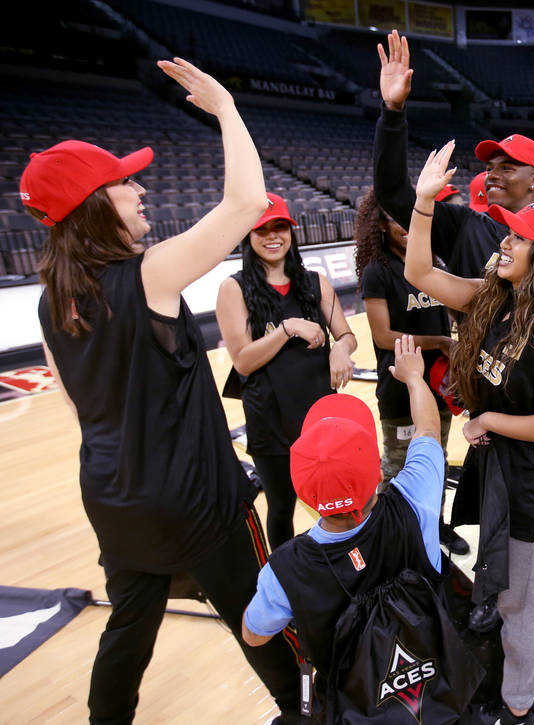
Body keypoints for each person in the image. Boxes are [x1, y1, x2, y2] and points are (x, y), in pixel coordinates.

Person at [25, 59, 304, 724]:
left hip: (118, 499)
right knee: (257, 611)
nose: (140, 189)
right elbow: (246, 204)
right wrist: (228, 108)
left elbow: (79, 407)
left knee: (130, 626)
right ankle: (304, 712)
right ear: (96, 205)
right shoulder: (147, 275)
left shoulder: (50, 302)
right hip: (196, 498)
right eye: (125, 182)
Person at [375, 28, 534, 629]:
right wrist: (393, 113)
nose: (491, 172)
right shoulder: (469, 228)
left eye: (506, 166)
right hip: (493, 379)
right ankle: (498, 595)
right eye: (487, 165)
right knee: (500, 506)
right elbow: (395, 195)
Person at [405, 141, 534, 725]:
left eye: (516, 236)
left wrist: (485, 419)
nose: (503, 241)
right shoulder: (495, 298)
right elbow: (418, 273)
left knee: (518, 603)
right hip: (515, 473)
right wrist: (423, 203)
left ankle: (517, 708)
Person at [241, 335, 455, 719]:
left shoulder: (286, 569)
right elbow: (427, 432)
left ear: (305, 494)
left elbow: (254, 633)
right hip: (436, 689)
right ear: (376, 471)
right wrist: (414, 379)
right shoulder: (414, 500)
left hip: (359, 707)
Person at [216, 192, 357, 549]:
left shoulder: (314, 281)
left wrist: (341, 347)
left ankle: (339, 563)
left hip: (319, 412)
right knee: (281, 507)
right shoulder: (234, 288)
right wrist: (287, 327)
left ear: (292, 231)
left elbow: (346, 334)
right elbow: (243, 361)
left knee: (335, 499)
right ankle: (283, 577)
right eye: (262, 229)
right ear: (248, 236)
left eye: (280, 226)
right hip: (270, 418)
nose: (272, 236)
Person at [353, 188, 469, 555]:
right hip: (400, 386)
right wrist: (437, 341)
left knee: (436, 458)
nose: (404, 226)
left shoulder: (433, 263)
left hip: (439, 384)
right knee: (399, 468)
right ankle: (388, 536)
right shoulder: (378, 271)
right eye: (393, 219)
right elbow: (382, 335)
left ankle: (436, 526)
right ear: (380, 226)